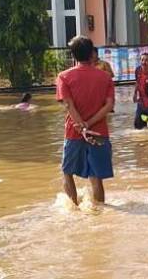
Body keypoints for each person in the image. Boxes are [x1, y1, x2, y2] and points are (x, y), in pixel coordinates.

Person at [56, 36, 115, 205]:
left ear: (73, 55)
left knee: (67, 172)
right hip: (99, 132)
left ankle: (73, 210)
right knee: (96, 177)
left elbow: (68, 105)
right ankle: (99, 213)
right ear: (91, 54)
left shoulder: (63, 77)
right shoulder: (105, 77)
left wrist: (81, 125)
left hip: (73, 132)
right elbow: (108, 106)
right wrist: (88, 124)